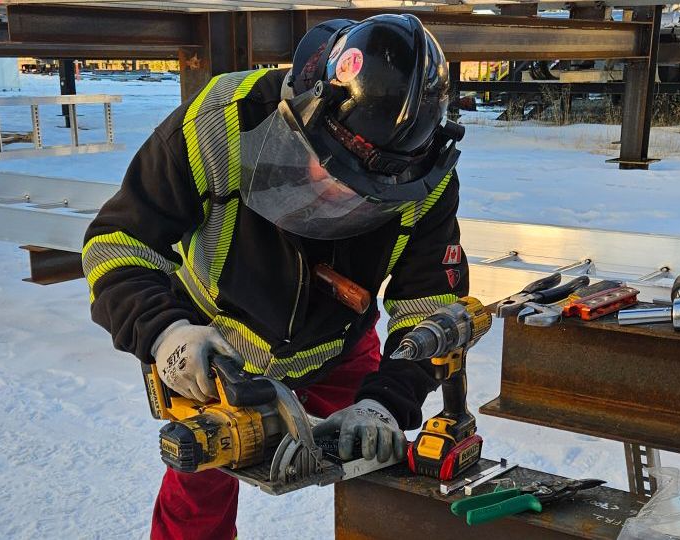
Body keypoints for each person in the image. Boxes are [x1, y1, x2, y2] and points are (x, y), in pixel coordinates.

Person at [82, 13, 468, 540]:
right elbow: (116, 242)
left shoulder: (425, 182)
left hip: (338, 347)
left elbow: (429, 309)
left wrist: (386, 401)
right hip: (214, 346)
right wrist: (163, 332)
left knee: (386, 468)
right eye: (325, 172)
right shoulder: (219, 122)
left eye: (359, 194)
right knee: (200, 479)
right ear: (305, 107)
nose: (333, 199)